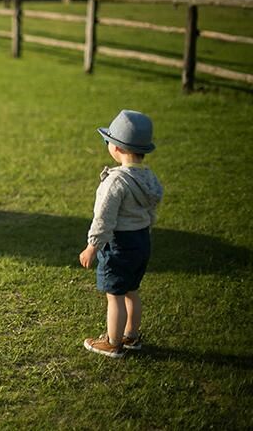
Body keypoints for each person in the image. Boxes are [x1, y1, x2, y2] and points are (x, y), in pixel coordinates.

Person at [79, 110, 163, 358]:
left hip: (119, 245)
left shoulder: (115, 182)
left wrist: (92, 246)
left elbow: (104, 218)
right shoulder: (148, 178)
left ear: (116, 148)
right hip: (141, 242)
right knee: (131, 291)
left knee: (114, 296)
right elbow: (151, 209)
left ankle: (113, 342)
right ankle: (131, 336)